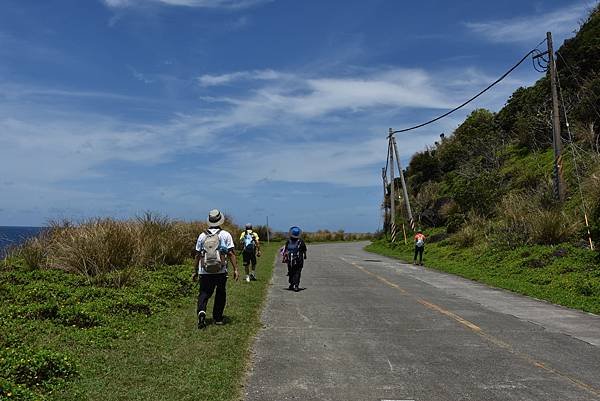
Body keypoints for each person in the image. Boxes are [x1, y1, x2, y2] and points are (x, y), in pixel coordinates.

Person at [192, 209, 239, 329]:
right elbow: (231, 253)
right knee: (220, 292)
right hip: (220, 270)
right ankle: (217, 318)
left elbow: (197, 254)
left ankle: (202, 312)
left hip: (205, 270)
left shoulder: (202, 236)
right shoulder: (225, 235)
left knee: (203, 293)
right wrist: (235, 269)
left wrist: (195, 271)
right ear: (220, 220)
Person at [283, 226, 307, 292]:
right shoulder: (301, 241)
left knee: (291, 272)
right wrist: (305, 256)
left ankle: (291, 284)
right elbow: (304, 250)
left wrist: (285, 258)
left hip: (290, 260)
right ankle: (296, 285)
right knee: (297, 272)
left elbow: (285, 250)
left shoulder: (288, 241)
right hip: (299, 260)